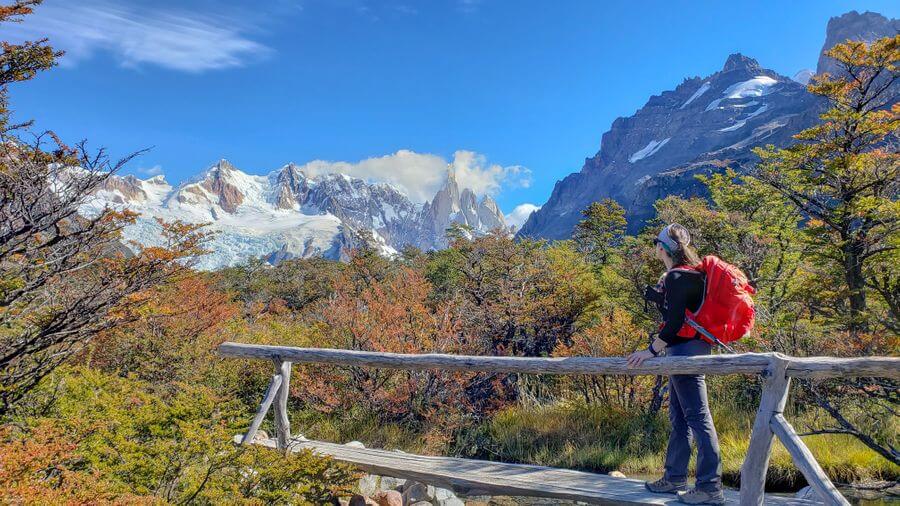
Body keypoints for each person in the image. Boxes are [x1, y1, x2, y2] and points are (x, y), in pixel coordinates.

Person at [626, 223, 725, 506]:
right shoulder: (692, 275)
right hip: (691, 348)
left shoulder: (677, 276)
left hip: (684, 351)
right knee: (681, 418)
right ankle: (675, 478)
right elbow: (682, 313)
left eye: (655, 243)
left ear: (661, 248)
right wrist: (660, 296)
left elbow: (674, 323)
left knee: (698, 418)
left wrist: (650, 351)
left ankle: (709, 487)